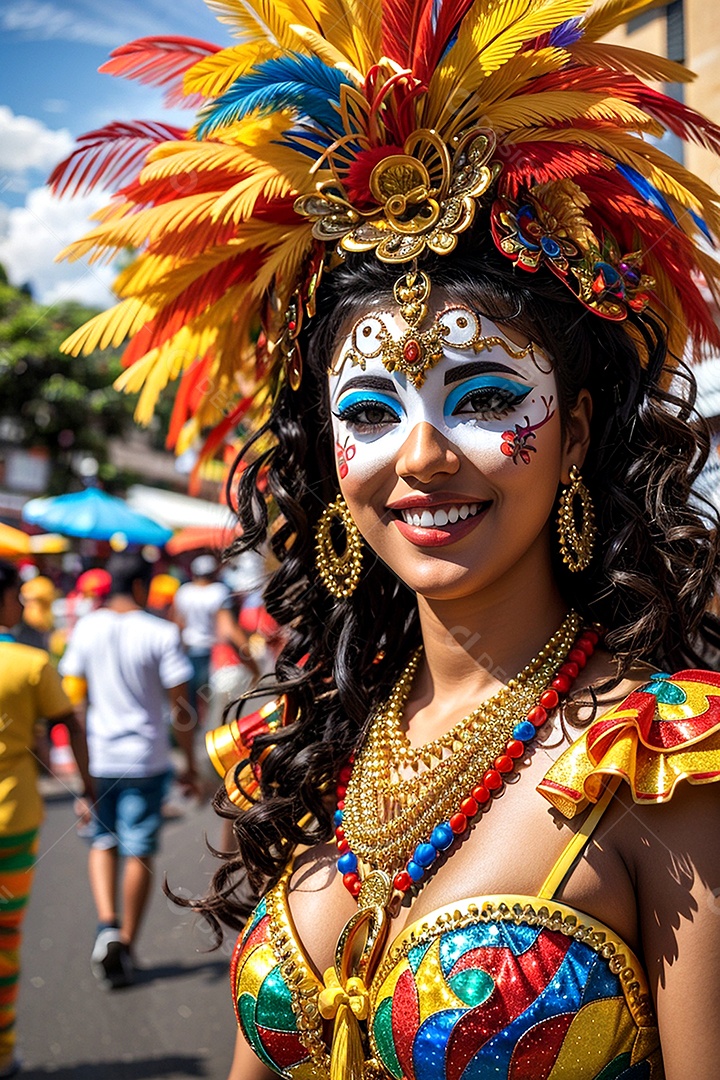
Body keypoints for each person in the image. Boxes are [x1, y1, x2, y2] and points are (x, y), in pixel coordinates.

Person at [55, 0, 720, 1074]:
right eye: (368, 412)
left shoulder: (661, 766)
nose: (419, 456)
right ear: (329, 456)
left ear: (577, 431)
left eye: (486, 395)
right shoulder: (303, 747)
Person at [59, 552, 196, 989]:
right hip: (146, 757)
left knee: (102, 839)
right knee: (138, 847)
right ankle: (128, 944)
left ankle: (107, 926)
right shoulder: (160, 632)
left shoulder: (86, 627)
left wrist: (78, 770)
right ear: (141, 587)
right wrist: (190, 763)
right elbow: (181, 708)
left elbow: (74, 701)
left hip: (97, 757)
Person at [0, 560, 94, 1077]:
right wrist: (86, 786)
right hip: (12, 818)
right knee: (5, 942)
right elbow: (69, 723)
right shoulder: (29, 663)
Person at [172, 555, 230, 726]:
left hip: (188, 649)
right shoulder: (219, 592)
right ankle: (203, 727)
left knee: (189, 697)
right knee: (207, 696)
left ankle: (191, 727)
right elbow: (225, 628)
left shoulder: (184, 592)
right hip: (210, 651)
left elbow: (177, 622)